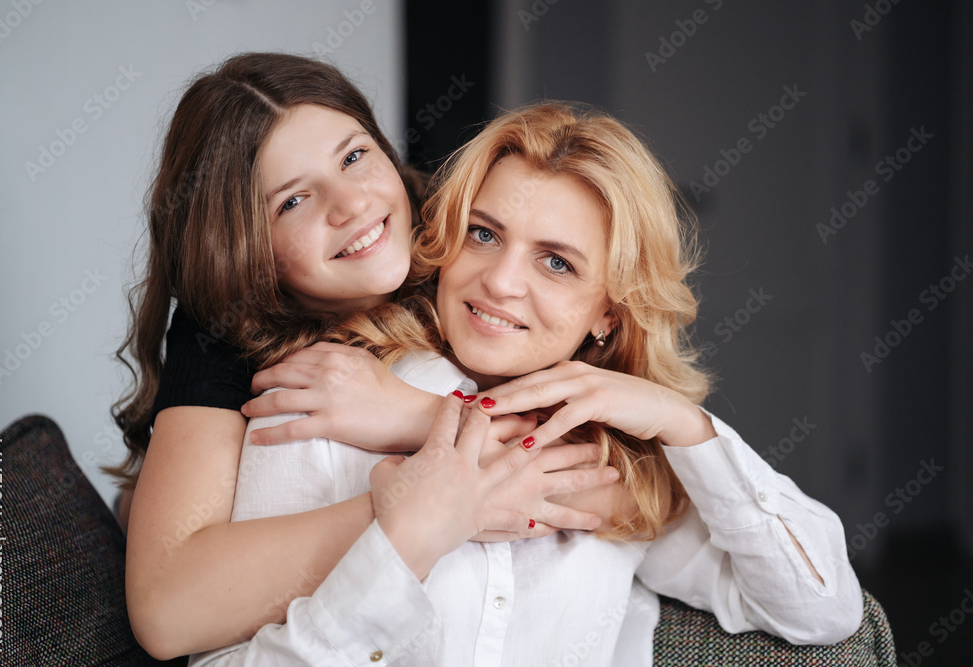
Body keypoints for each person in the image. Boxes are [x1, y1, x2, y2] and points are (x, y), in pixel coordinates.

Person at [192, 103, 864, 665]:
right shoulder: (328, 397)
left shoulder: (614, 471)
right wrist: (400, 545)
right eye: (484, 234)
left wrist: (684, 423)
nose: (501, 281)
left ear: (609, 312)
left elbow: (821, 609)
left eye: (556, 262)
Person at [112, 54, 614, 660]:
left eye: (353, 157)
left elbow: (622, 487)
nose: (350, 203)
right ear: (243, 249)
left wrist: (412, 416)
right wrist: (421, 507)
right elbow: (167, 610)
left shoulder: (464, 236)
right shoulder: (224, 328)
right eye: (292, 201)